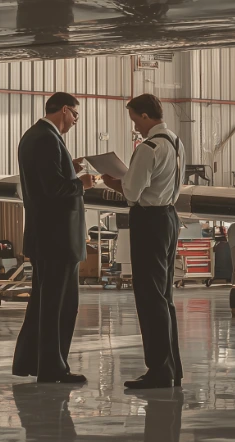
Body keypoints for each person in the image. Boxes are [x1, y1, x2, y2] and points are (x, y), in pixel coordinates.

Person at [11, 92, 95, 384]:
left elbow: (46, 179)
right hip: (58, 237)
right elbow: (54, 190)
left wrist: (69, 168)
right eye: (75, 115)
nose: (75, 121)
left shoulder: (34, 136)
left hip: (46, 235)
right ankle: (53, 367)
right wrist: (81, 183)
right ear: (64, 110)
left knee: (44, 302)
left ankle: (31, 361)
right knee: (59, 305)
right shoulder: (47, 138)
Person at [101, 94, 183, 390]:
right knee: (164, 296)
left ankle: (159, 370)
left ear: (146, 116)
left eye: (135, 119)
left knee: (149, 297)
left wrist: (114, 182)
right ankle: (172, 366)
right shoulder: (175, 142)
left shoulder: (148, 148)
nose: (135, 126)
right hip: (170, 218)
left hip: (148, 221)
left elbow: (133, 193)